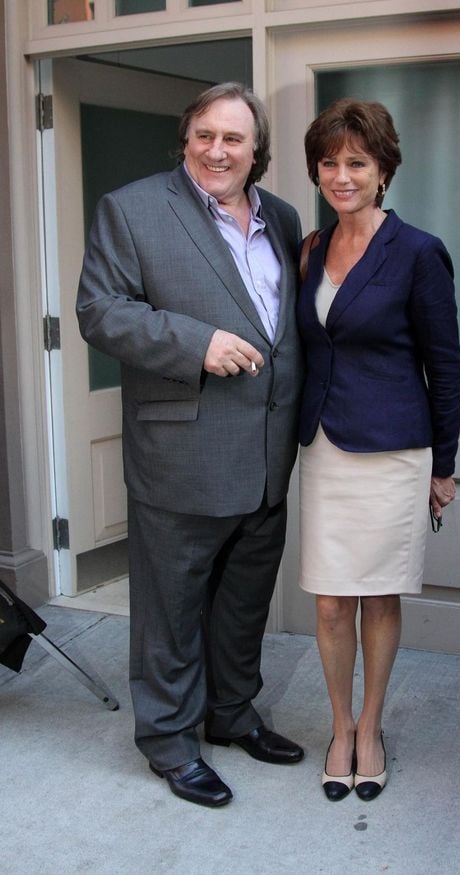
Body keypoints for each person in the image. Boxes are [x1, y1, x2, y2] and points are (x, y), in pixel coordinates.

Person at [76, 82, 305, 808]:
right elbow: (99, 311)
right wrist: (195, 341)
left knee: (243, 603)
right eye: (205, 134)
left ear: (255, 151)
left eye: (233, 138)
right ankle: (171, 741)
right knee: (170, 611)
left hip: (267, 455)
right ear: (185, 139)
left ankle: (232, 713)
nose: (217, 150)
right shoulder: (134, 209)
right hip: (181, 455)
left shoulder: (284, 219)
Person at [298, 98, 460, 802]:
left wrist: (445, 465)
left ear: (383, 170)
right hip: (327, 448)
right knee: (332, 602)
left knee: (379, 595)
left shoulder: (419, 252)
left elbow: (445, 363)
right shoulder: (309, 248)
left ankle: (372, 725)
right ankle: (339, 727)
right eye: (330, 162)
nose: (342, 175)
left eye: (356, 162)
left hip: (395, 448)